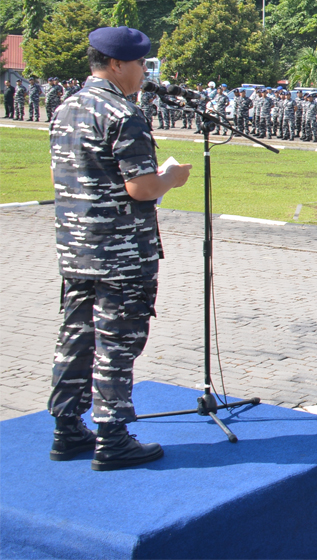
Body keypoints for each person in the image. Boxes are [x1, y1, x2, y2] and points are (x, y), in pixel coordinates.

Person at [48, 26, 192, 471]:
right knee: (117, 341)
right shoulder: (122, 113)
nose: (143, 72)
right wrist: (171, 178)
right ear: (116, 64)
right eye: (140, 64)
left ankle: (67, 429)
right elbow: (142, 188)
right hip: (121, 253)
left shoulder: (67, 106)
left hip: (76, 247)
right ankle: (113, 437)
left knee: (76, 337)